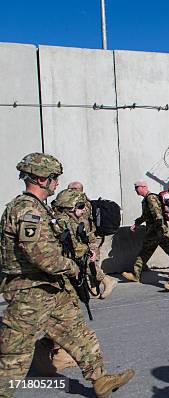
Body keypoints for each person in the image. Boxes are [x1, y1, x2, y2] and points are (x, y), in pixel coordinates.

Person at [0, 152, 133, 397]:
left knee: (79, 333)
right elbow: (40, 256)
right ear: (41, 179)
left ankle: (100, 379)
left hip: (51, 288)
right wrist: (73, 267)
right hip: (28, 292)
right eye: (54, 178)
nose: (57, 183)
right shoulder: (26, 211)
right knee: (14, 355)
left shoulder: (39, 208)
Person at [66, 181, 117, 299]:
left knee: (89, 262)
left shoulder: (82, 204)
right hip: (90, 237)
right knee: (90, 262)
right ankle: (94, 289)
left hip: (88, 238)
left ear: (74, 190)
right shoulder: (84, 202)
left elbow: (82, 224)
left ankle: (107, 281)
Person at [122, 181, 169, 283]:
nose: (135, 190)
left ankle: (136, 274)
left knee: (146, 252)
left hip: (156, 231)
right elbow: (146, 216)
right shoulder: (146, 199)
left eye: (136, 188)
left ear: (143, 187)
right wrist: (137, 224)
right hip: (156, 231)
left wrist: (159, 230)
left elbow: (158, 215)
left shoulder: (150, 198)